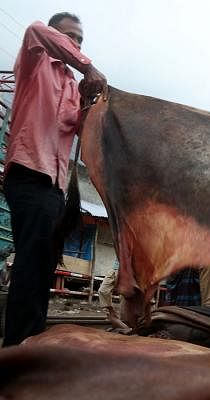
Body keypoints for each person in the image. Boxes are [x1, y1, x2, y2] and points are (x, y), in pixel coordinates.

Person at [2, 13, 107, 346]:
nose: (75, 43)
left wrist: (90, 100)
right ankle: (19, 345)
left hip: (54, 186)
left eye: (80, 39)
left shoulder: (72, 88)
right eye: (70, 36)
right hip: (29, 172)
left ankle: (30, 336)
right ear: (55, 36)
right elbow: (35, 30)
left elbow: (79, 128)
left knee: (43, 261)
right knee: (34, 256)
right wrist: (87, 66)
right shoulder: (35, 63)